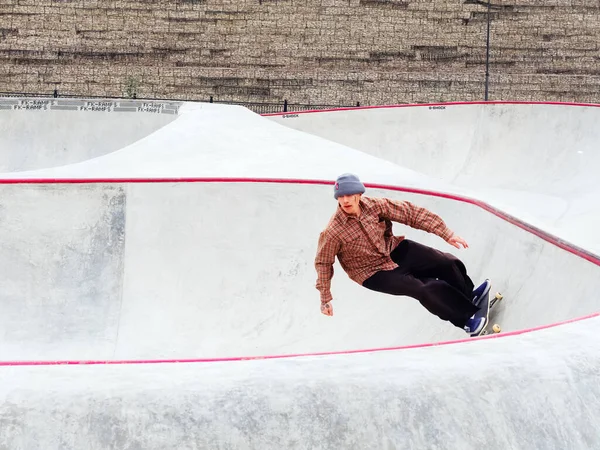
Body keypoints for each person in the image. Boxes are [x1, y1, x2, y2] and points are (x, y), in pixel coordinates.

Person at [314, 173, 486, 335]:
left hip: (393, 249)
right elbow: (323, 262)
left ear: (358, 194)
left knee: (446, 262)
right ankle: (465, 320)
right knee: (425, 288)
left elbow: (409, 213)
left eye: (348, 195)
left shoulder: (375, 206)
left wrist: (445, 233)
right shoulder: (333, 232)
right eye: (340, 197)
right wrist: (325, 298)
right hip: (371, 273)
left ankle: (469, 295)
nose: (345, 200)